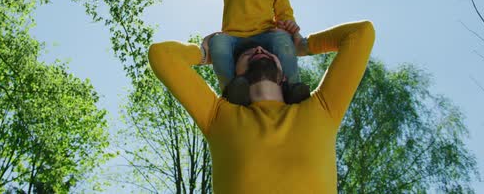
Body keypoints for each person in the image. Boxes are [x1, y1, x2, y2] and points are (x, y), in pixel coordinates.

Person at [149, 20, 375, 193]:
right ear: (234, 73)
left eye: (268, 52)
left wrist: (303, 44)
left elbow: (362, 32)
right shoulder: (218, 116)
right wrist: (205, 53)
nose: (258, 50)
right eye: (246, 53)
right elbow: (161, 55)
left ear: (285, 76)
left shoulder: (321, 107)